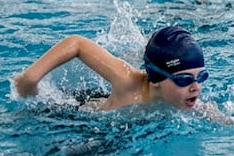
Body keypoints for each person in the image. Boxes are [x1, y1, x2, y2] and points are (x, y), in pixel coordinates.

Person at [15, 25, 209, 112]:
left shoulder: (190, 105)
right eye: (184, 79)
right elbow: (77, 43)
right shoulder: (128, 82)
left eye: (201, 77)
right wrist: (30, 79)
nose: (196, 87)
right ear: (156, 78)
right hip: (76, 112)